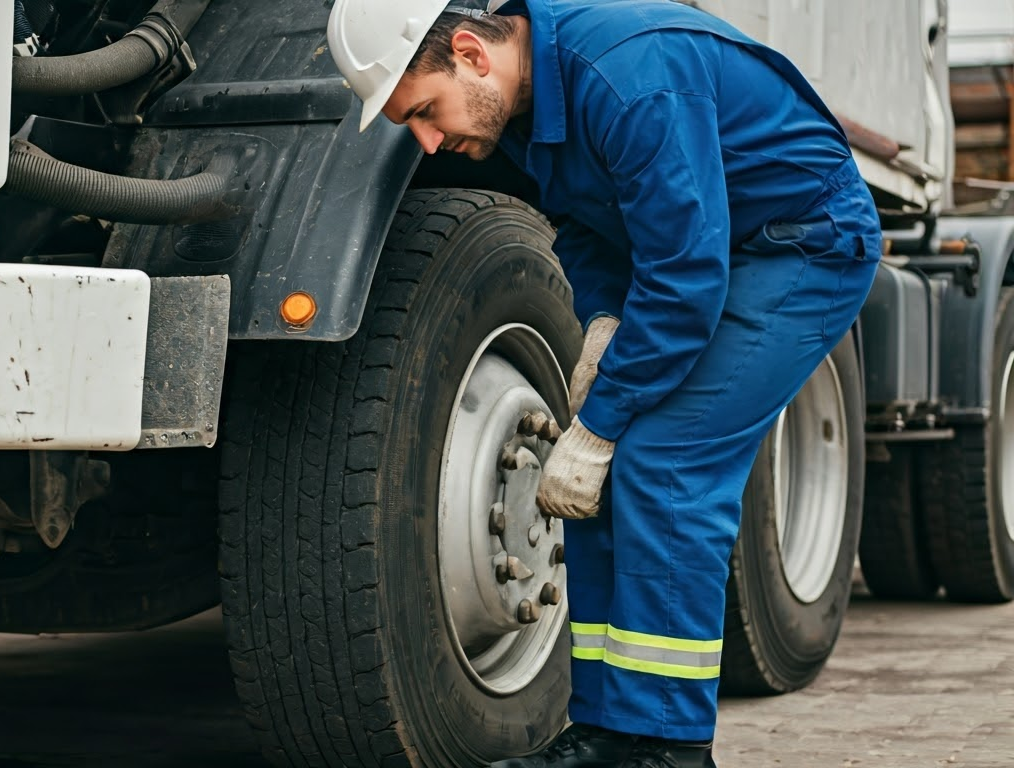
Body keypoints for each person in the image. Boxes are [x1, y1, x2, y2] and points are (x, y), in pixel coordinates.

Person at [326, 0, 883, 766]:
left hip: (804, 244)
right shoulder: (524, 111)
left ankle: (670, 748)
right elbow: (591, 229)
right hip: (718, 249)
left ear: (471, 52)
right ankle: (608, 732)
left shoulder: (626, 77)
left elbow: (688, 275)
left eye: (424, 110)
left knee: (663, 462)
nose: (428, 139)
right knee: (593, 474)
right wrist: (603, 328)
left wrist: (603, 418)